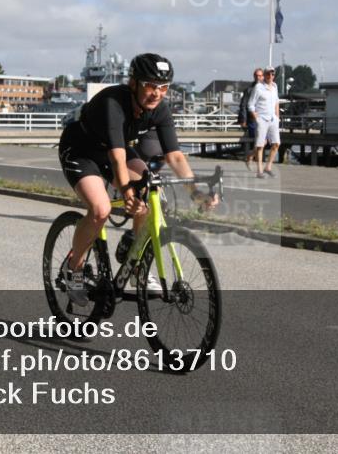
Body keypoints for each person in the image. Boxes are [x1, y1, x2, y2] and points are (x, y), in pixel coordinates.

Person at [57, 53, 218, 305]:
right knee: (101, 209)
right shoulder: (114, 102)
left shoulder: (160, 109)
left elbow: (174, 156)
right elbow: (118, 159)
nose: (157, 93)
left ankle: (134, 256)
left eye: (164, 87)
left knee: (152, 196)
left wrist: (196, 192)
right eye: (150, 85)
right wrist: (128, 193)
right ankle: (73, 270)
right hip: (81, 148)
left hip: (116, 148)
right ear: (133, 83)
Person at [247, 67, 281, 178]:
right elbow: (250, 104)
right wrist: (255, 116)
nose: (270, 76)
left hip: (273, 119)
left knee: (276, 144)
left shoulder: (275, 86)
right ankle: (260, 171)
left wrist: (277, 117)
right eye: (268, 74)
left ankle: (268, 167)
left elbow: (276, 102)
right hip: (262, 119)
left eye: (272, 74)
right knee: (260, 145)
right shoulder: (258, 87)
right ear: (264, 75)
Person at [238, 67, 264, 169]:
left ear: (263, 76)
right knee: (260, 141)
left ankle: (250, 157)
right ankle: (259, 167)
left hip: (264, 119)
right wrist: (243, 120)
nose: (258, 77)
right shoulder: (248, 90)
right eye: (256, 75)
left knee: (263, 141)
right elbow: (243, 105)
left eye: (260, 75)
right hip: (253, 120)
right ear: (254, 76)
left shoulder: (266, 88)